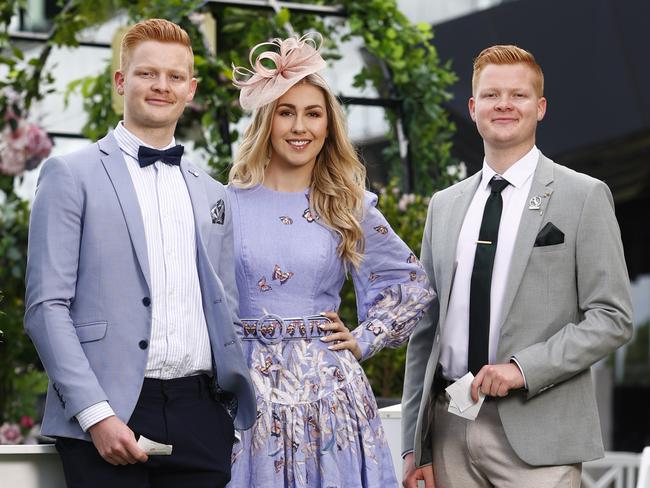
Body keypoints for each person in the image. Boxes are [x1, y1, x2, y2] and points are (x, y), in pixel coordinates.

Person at [24, 18, 255, 488]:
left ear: (190, 89)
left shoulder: (213, 192)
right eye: (147, 73)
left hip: (201, 417)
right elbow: (46, 308)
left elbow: (226, 305)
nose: (161, 86)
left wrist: (223, 416)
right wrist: (95, 414)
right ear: (120, 80)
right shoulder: (70, 175)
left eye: (174, 77)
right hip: (107, 416)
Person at [401, 44, 633, 488]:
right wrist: (416, 446)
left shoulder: (583, 196)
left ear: (540, 107)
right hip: (449, 427)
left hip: (540, 433)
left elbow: (613, 317)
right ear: (473, 108)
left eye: (518, 95)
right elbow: (423, 332)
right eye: (491, 95)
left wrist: (523, 368)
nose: (504, 104)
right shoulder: (444, 206)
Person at [225, 33, 434, 488]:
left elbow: (412, 285)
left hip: (329, 397)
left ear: (328, 126)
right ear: (267, 120)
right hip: (246, 398)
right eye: (287, 112)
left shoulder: (348, 204)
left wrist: (364, 338)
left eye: (313, 114)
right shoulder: (224, 204)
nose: (300, 127)